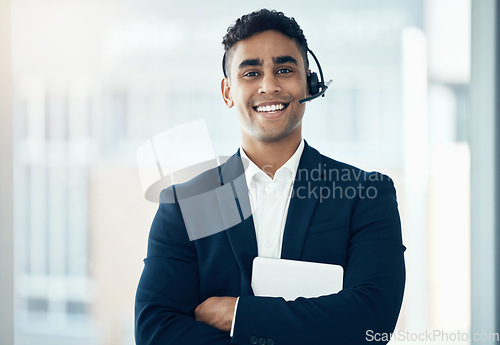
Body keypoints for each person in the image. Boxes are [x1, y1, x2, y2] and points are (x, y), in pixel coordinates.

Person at [135, 9, 405, 345]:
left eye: (284, 69)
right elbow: (155, 331)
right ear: (227, 92)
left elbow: (371, 320)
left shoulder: (365, 194)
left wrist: (239, 314)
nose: (269, 85)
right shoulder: (184, 204)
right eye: (251, 73)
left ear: (309, 81)